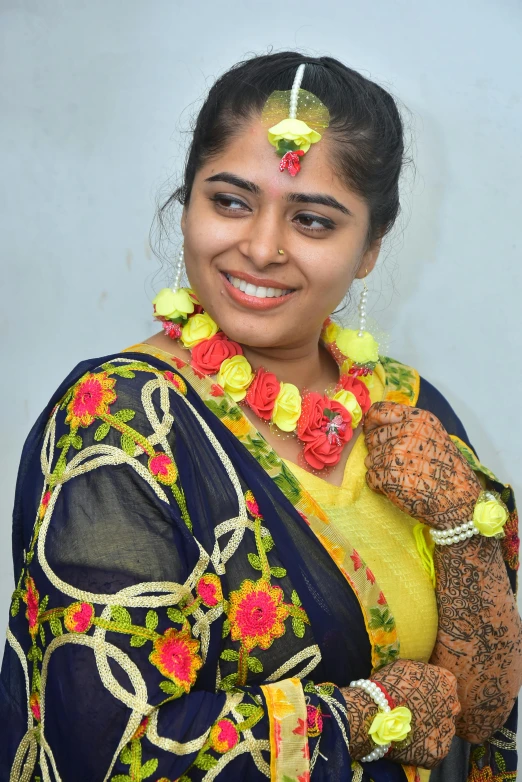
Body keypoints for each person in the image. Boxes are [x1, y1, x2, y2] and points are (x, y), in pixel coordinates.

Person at [1, 52, 520, 782]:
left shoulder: (409, 409)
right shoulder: (121, 421)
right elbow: (103, 742)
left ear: (370, 249)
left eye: (312, 220)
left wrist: (463, 524)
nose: (261, 247)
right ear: (188, 204)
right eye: (232, 202)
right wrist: (360, 718)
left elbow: (478, 714)